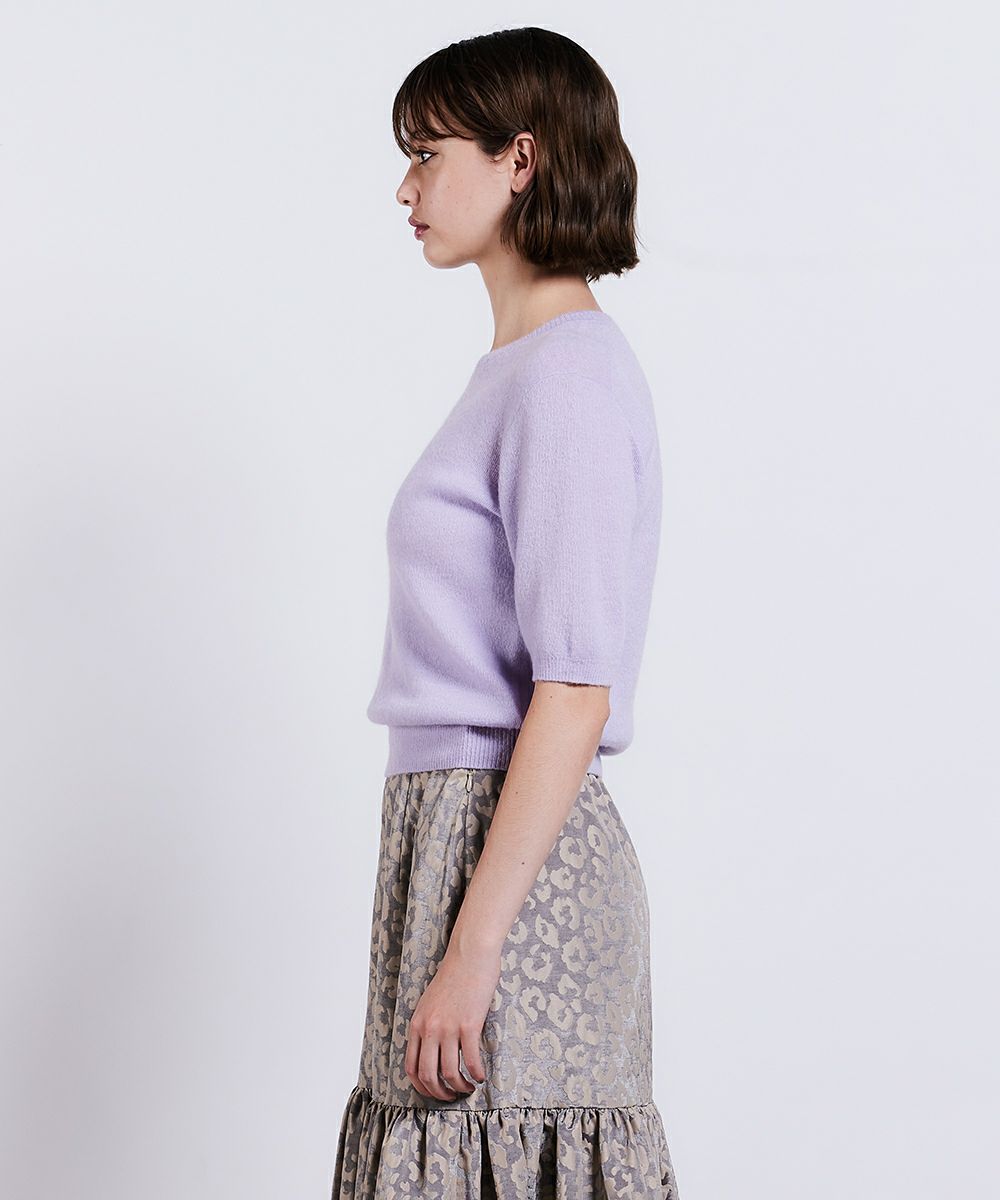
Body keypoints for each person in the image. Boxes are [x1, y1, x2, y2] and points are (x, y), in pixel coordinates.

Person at [331, 25, 681, 1200]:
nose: (406, 187)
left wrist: (473, 948)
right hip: (452, 838)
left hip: (510, 866)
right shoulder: (521, 371)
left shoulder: (567, 376)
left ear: (519, 160)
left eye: (428, 154)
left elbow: (574, 688)